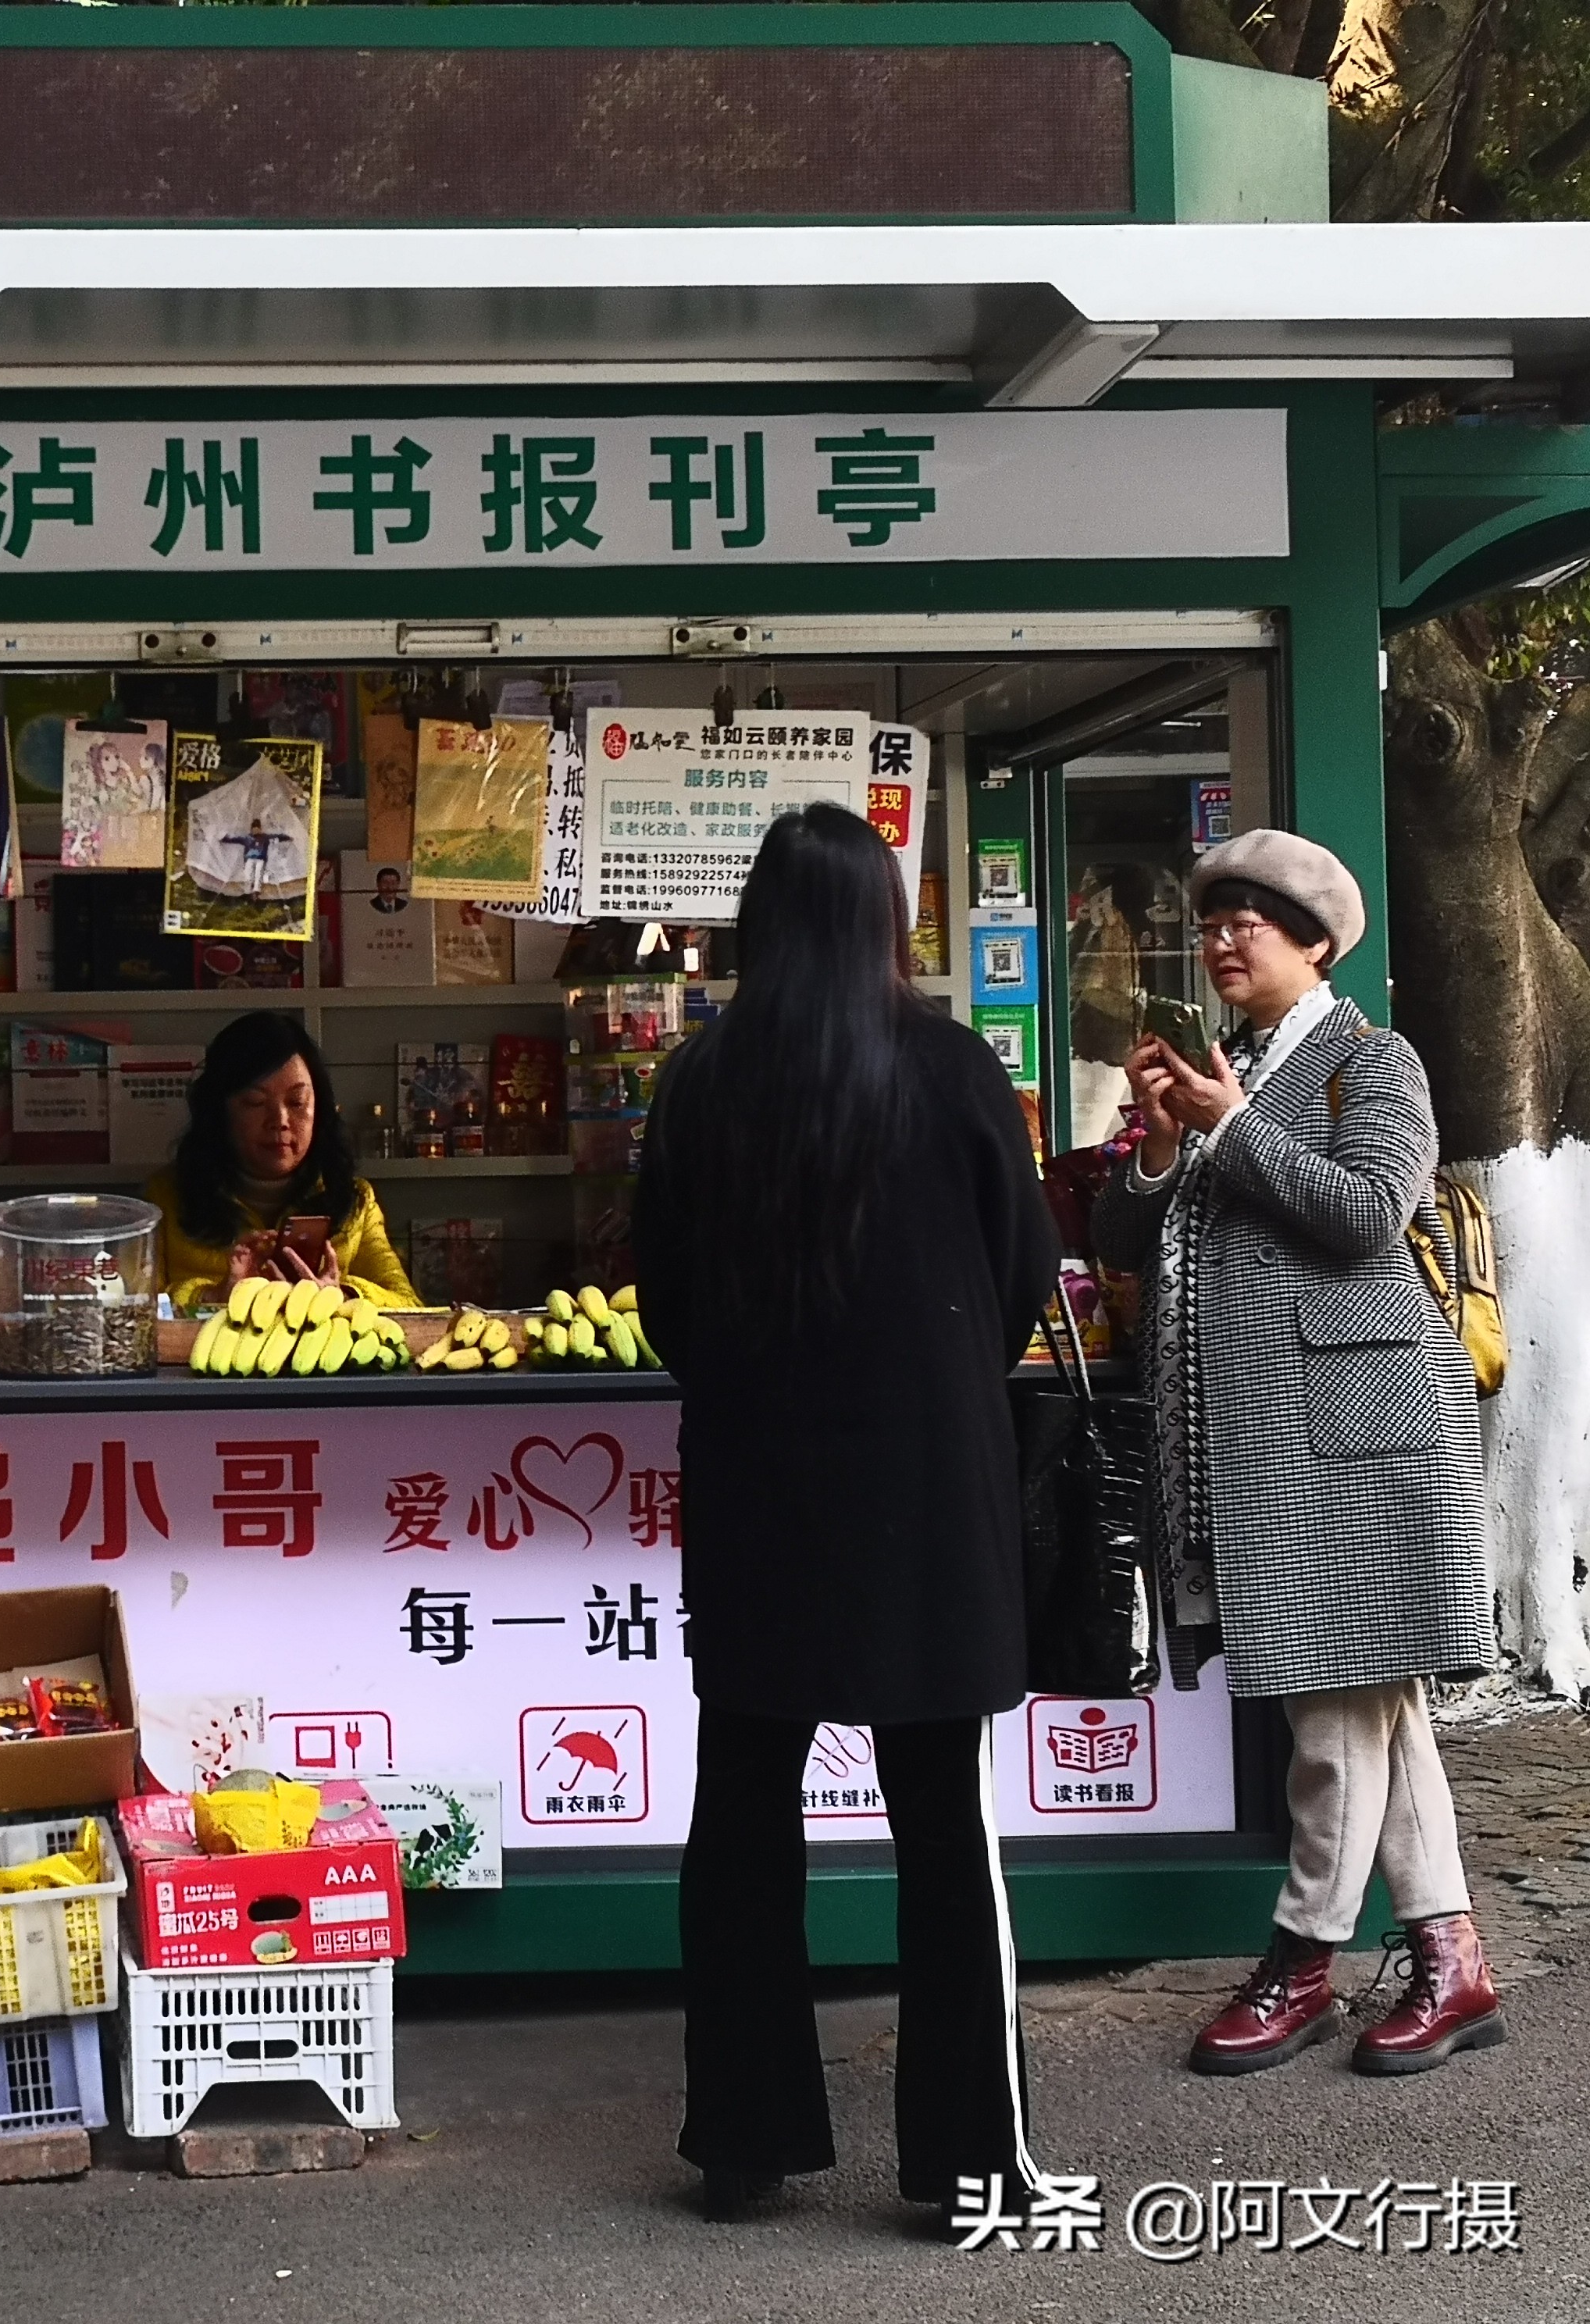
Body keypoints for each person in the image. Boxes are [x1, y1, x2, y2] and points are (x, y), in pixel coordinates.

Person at [634, 803, 1060, 2224]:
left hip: (760, 1495)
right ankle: (959, 2167)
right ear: (887, 918)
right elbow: (1018, 1284)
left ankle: (745, 2144)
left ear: (755, 927)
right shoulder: (953, 1069)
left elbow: (665, 1308)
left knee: (744, 1819)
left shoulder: (702, 1081)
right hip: (930, 1504)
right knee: (940, 1828)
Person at [1092, 828, 1500, 2079]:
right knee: (1378, 1704)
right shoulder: (1232, 1066)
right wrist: (1164, 1137)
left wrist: (1225, 1128)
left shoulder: (1370, 1064)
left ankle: (1303, 1955)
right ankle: (1455, 1965)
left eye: (1249, 925)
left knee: (1334, 1714)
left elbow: (1368, 1213)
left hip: (1358, 1433)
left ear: (1314, 945)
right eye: (1212, 925)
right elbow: (1122, 1231)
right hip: (1274, 1437)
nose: (1222, 943)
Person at [149, 1011, 418, 1310]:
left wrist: (342, 1295)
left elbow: (410, 1307)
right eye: (255, 1103)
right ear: (219, 1112)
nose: (280, 1121)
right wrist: (213, 1297)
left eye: (296, 1103)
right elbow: (135, 1315)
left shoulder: (355, 1201)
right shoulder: (165, 1199)